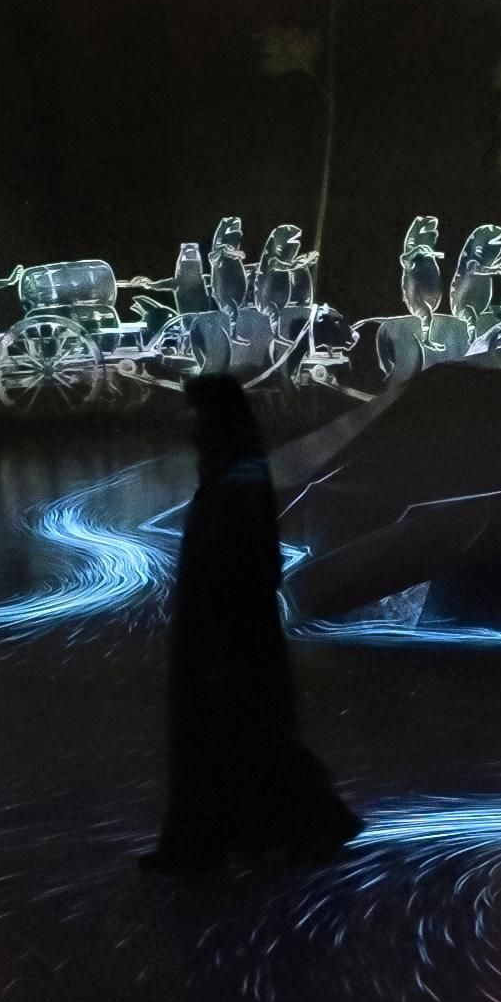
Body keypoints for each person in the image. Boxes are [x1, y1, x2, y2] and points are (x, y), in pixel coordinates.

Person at [144, 372, 361, 871]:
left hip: (229, 628)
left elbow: (241, 554)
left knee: (238, 733)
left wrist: (222, 626)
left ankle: (224, 841)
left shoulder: (235, 473)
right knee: (247, 733)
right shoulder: (235, 467)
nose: (189, 424)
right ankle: (265, 833)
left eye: (196, 413)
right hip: (229, 625)